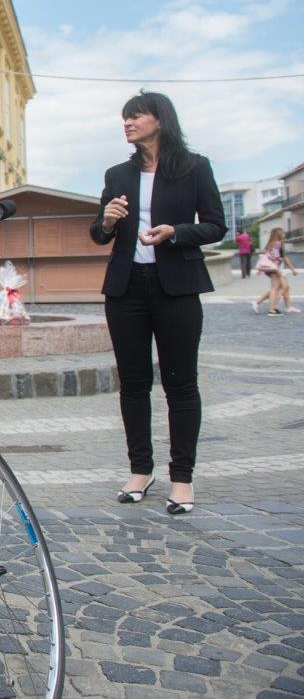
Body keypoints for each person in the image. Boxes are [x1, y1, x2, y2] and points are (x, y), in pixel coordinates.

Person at [91, 91, 225, 516]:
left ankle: (182, 478)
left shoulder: (194, 168)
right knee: (132, 384)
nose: (127, 123)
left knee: (181, 385)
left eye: (136, 116)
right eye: (124, 118)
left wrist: (177, 232)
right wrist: (108, 221)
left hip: (177, 288)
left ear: (160, 120)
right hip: (126, 289)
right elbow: (98, 234)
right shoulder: (117, 174)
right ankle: (140, 470)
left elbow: (217, 225)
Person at [252, 228, 297, 315]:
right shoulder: (278, 245)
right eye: (283, 234)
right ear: (279, 235)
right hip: (275, 269)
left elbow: (266, 257)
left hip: (270, 269)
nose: (284, 235)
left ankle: (264, 304)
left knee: (282, 287)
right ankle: (272, 309)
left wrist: (260, 270)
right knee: (276, 288)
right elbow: (277, 259)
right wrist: (278, 271)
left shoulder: (270, 244)